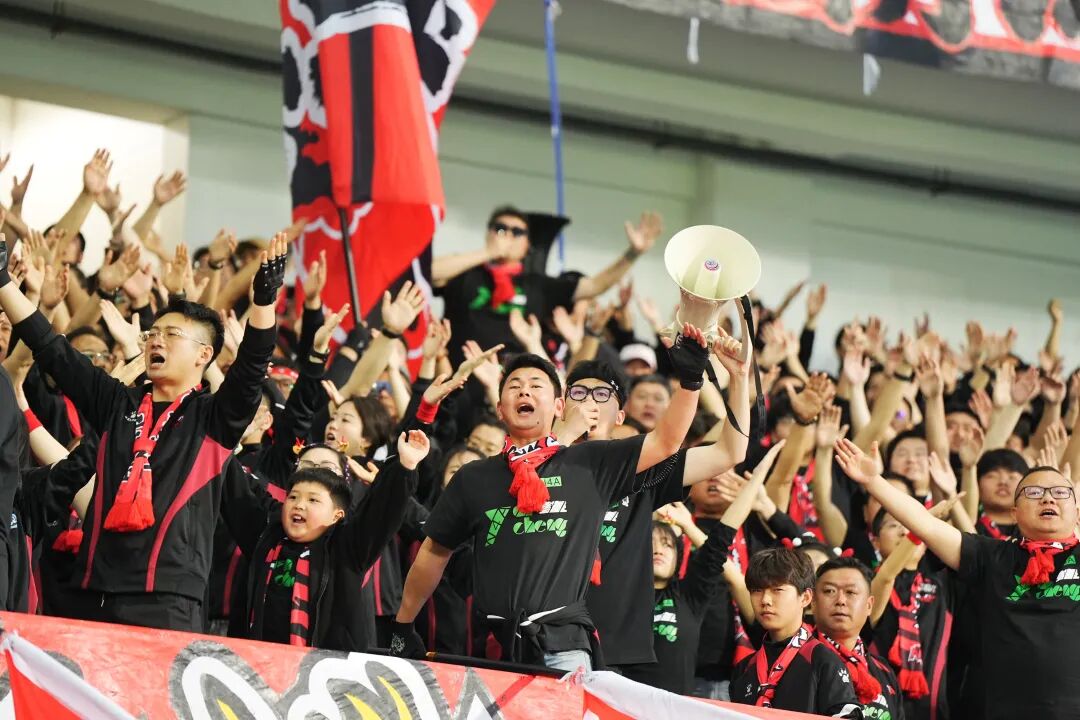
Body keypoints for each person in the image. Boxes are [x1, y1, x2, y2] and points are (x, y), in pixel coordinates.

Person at [0, 231, 287, 631]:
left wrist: (263, 301)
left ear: (204, 355)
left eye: (171, 334)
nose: (156, 340)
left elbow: (252, 365)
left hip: (168, 599)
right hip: (93, 591)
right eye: (153, 333)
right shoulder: (117, 403)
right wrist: (3, 280)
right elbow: (52, 349)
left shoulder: (215, 417)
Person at [390, 323, 711, 671]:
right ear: (500, 408)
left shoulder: (592, 462)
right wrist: (403, 625)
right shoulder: (473, 477)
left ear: (559, 406)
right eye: (514, 386)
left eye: (536, 385)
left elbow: (665, 442)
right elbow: (433, 553)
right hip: (495, 649)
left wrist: (691, 381)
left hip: (564, 647)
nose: (524, 391)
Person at [834, 438, 1080, 720]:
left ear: (1077, 513)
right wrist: (874, 481)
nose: (1048, 498)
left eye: (1060, 492)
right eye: (1034, 492)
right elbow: (925, 525)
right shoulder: (992, 556)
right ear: (1015, 513)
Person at [232, 431, 428, 649]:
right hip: (255, 663)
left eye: (313, 500)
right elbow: (237, 487)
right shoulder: (266, 536)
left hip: (324, 668)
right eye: (293, 497)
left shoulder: (348, 548)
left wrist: (405, 466)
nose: (299, 505)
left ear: (337, 515)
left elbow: (382, 510)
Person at [622, 441, 784, 694]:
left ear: (680, 555)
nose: (658, 550)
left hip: (695, 693)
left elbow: (721, 539)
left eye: (667, 544)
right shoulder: (622, 590)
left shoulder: (689, 596)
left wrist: (758, 476)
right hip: (625, 698)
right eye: (651, 544)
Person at [431, 206, 661, 363]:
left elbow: (594, 286)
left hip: (514, 384)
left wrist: (633, 254)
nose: (508, 236)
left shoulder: (538, 285)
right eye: (500, 229)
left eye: (517, 232)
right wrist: (488, 252)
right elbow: (430, 272)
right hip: (458, 376)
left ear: (527, 245)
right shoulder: (464, 272)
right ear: (488, 233)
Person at [729, 547, 862, 716]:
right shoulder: (744, 669)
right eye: (757, 590)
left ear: (805, 598)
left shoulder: (824, 662)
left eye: (777, 590)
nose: (765, 600)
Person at [814, 556, 904, 720]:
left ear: (869, 605)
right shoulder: (798, 659)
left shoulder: (884, 671)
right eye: (829, 591)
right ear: (812, 601)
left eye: (851, 592)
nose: (841, 600)